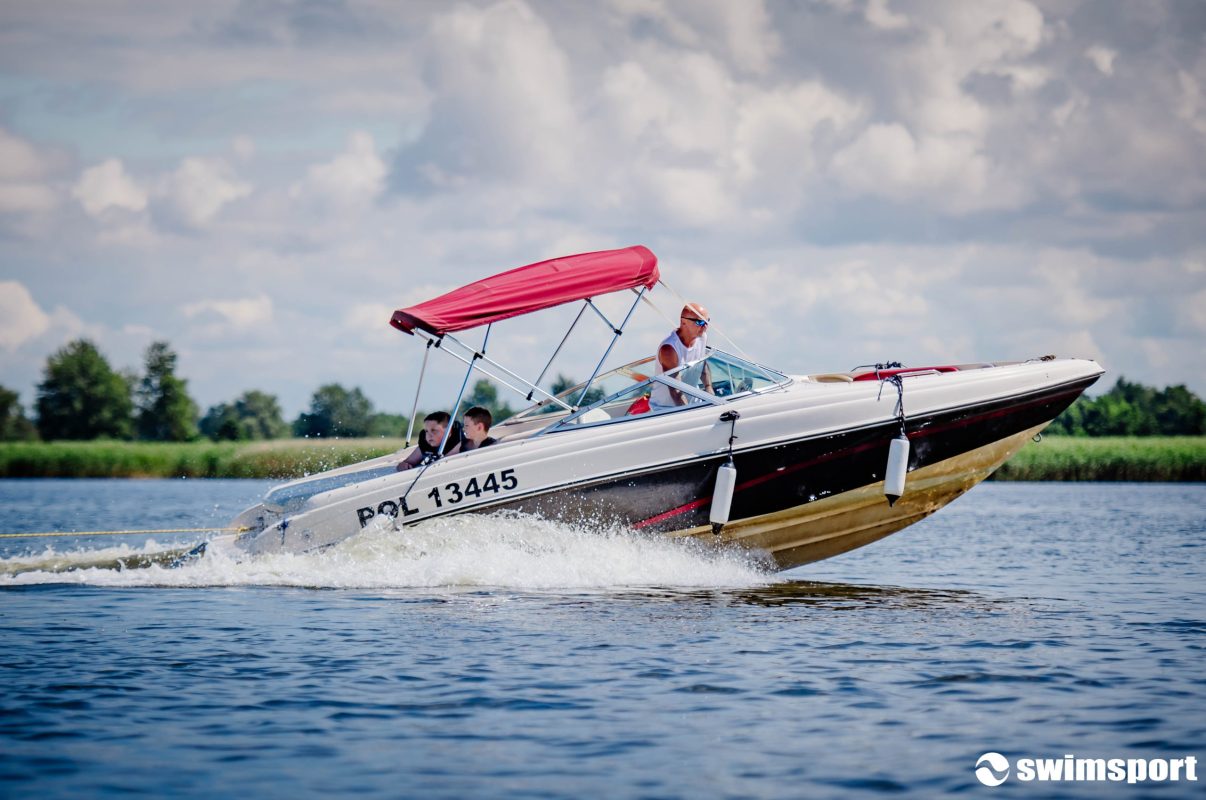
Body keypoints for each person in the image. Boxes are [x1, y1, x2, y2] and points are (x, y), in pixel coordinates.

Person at [649, 302, 714, 408]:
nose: (705, 326)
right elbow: (676, 390)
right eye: (700, 322)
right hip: (667, 409)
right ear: (683, 322)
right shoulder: (669, 349)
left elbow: (702, 364)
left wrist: (708, 388)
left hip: (693, 402)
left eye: (707, 321)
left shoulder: (702, 337)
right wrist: (689, 412)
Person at [396, 411, 462, 471]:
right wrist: (403, 465)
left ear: (449, 432)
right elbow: (407, 462)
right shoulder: (426, 444)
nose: (429, 435)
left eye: (434, 431)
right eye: (426, 431)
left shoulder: (459, 444)